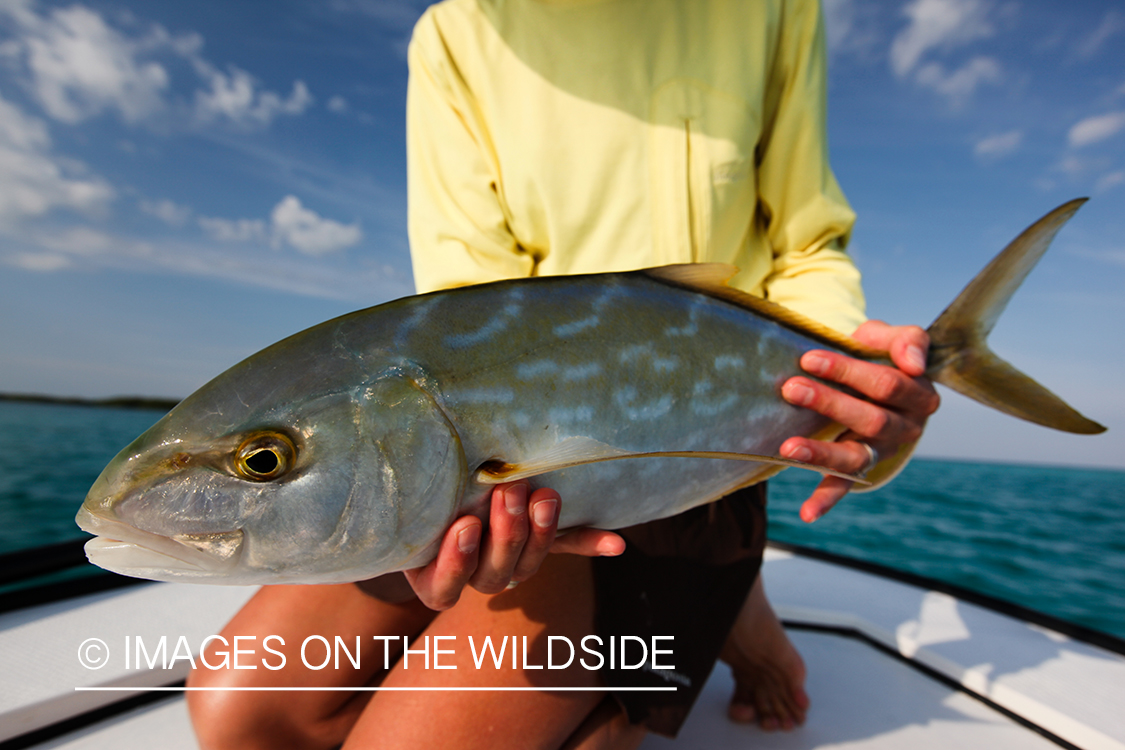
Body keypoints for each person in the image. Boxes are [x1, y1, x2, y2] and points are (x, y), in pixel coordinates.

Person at [187, 0, 939, 747]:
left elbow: (807, 242)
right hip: (515, 479)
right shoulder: (456, 33)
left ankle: (682, 641)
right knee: (238, 714)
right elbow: (463, 307)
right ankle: (723, 613)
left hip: (695, 447)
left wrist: (845, 374)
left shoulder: (770, 8)